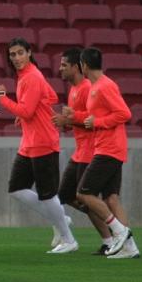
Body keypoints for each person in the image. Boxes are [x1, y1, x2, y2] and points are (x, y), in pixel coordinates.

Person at [0, 37, 77, 254]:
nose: (17, 57)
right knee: (16, 189)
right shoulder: (27, 76)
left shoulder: (31, 77)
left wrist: (3, 99)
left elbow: (27, 110)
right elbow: (49, 97)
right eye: (13, 54)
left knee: (47, 194)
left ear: (29, 53)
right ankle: (60, 218)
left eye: (20, 52)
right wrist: (28, 113)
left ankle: (68, 239)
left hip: (43, 142)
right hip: (30, 142)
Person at [72, 47, 139, 259]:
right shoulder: (96, 87)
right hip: (108, 147)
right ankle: (130, 249)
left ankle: (120, 231)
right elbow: (96, 116)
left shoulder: (105, 86)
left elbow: (124, 113)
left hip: (109, 149)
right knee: (111, 199)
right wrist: (76, 117)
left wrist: (97, 122)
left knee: (84, 193)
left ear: (84, 65)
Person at [51, 48, 113, 255]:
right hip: (80, 151)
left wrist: (69, 119)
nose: (60, 69)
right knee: (66, 195)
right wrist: (65, 124)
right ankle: (108, 230)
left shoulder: (87, 88)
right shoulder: (74, 90)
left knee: (84, 196)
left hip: (90, 150)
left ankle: (110, 239)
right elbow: (79, 121)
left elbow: (92, 121)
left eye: (63, 65)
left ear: (77, 67)